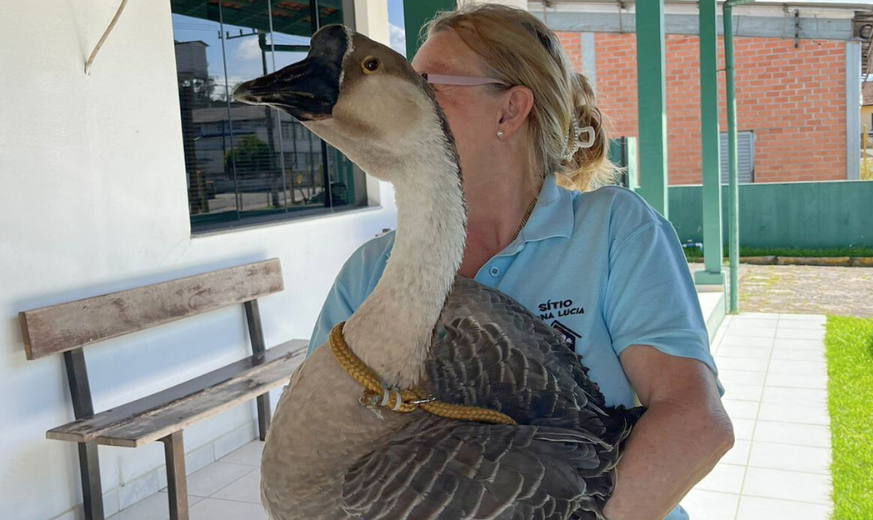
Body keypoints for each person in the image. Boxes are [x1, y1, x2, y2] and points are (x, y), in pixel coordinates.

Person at [308, 4, 734, 519]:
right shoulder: (371, 271)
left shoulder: (613, 230)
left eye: (427, 84)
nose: (403, 98)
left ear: (509, 111)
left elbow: (695, 421)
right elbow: (320, 444)